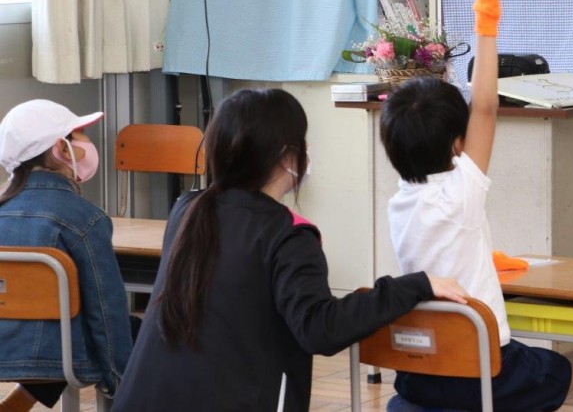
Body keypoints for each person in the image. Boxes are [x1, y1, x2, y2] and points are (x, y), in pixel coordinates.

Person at [112, 88, 467, 412]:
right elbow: (320, 330)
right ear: (286, 157)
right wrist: (414, 284)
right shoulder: (289, 235)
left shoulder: (186, 210)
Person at [381, 0, 573, 411]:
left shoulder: (399, 201)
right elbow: (486, 106)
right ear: (456, 143)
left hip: (419, 367)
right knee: (558, 372)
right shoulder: (460, 190)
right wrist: (486, 26)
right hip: (479, 366)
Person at [0, 100, 133, 411]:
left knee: (54, 321)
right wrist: (121, 383)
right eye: (80, 134)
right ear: (61, 149)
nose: (88, 141)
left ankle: (17, 403)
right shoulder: (86, 219)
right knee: (139, 328)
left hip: (6, 345)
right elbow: (105, 310)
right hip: (58, 357)